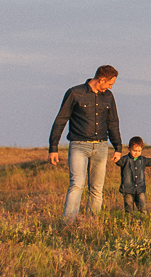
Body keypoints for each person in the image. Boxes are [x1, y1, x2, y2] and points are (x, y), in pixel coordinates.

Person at [49, 65, 123, 221]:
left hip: (101, 146)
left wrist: (118, 147)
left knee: (97, 189)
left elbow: (113, 122)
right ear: (101, 79)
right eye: (109, 84)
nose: (110, 87)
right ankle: (68, 223)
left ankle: (91, 223)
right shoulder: (74, 93)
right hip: (79, 146)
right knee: (77, 184)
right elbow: (61, 120)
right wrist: (53, 147)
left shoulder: (108, 97)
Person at [115, 136, 151, 213]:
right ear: (129, 148)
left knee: (143, 208)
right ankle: (130, 222)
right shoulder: (125, 160)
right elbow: (119, 162)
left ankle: (143, 221)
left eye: (139, 151)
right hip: (127, 189)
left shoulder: (143, 160)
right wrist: (116, 159)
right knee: (129, 209)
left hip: (140, 189)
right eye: (134, 150)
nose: (137, 153)